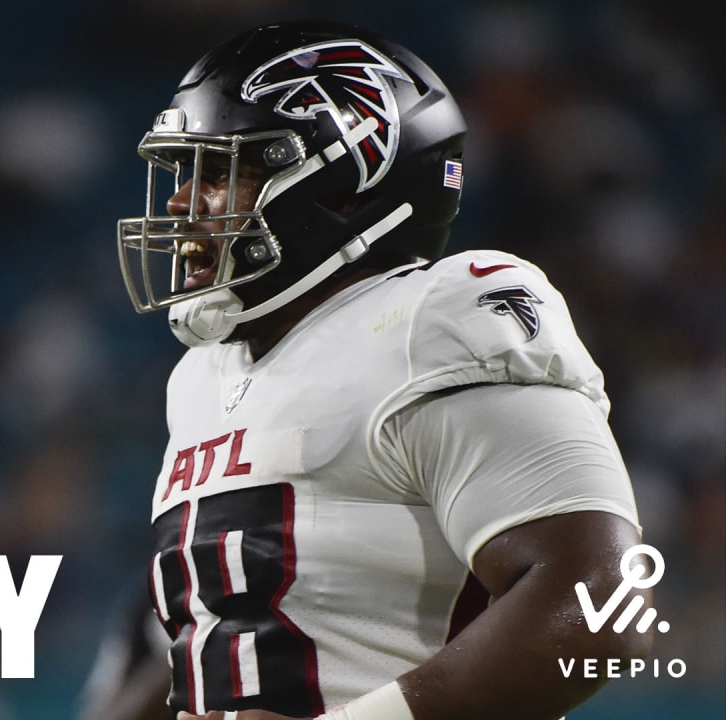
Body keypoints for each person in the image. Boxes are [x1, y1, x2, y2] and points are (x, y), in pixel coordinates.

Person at [112, 21, 653, 720]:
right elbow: (228, 639)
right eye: (187, 173)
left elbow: (604, 599)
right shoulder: (197, 379)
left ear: (344, 185)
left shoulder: (435, 318)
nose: (184, 202)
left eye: (219, 172)